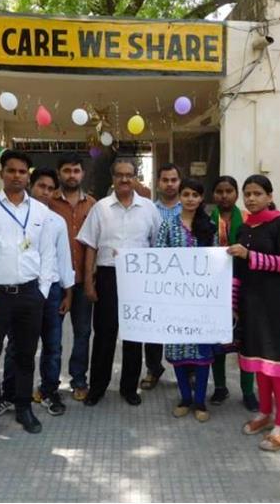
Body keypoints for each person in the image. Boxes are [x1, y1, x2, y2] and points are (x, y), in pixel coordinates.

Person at [0, 149, 55, 441]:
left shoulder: (40, 211)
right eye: (11, 170)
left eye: (22, 172)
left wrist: (42, 293)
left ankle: (23, 407)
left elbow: (47, 254)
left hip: (30, 295)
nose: (17, 176)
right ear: (1, 173)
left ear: (27, 176)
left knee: (26, 355)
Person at [76, 158, 162, 407]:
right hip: (107, 276)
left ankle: (129, 388)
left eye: (129, 175)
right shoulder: (100, 208)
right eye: (119, 175)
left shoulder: (149, 208)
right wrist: (89, 283)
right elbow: (90, 246)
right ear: (113, 178)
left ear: (136, 178)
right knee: (104, 333)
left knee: (134, 335)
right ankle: (97, 388)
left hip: (138, 279)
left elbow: (157, 245)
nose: (124, 179)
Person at [227, 174, 280, 452]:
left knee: (277, 366)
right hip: (251, 305)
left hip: (277, 307)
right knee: (259, 363)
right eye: (247, 193)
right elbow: (238, 272)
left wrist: (249, 256)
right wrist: (234, 305)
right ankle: (264, 413)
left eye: (257, 193)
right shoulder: (244, 228)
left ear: (270, 196)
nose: (251, 198)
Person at [1, 168, 75, 416]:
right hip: (24, 289)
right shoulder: (14, 216)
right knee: (17, 344)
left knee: (53, 345)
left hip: (52, 291)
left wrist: (68, 293)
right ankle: (9, 394)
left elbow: (64, 258)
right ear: (31, 186)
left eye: (51, 189)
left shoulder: (56, 221)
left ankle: (48, 391)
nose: (46, 192)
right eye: (41, 186)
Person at [154, 178, 218, 422]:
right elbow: (157, 258)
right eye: (186, 194)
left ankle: (200, 401)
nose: (190, 199)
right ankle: (185, 398)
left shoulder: (209, 227)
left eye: (195, 195)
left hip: (202, 301)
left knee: (202, 352)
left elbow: (217, 262)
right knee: (178, 350)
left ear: (201, 199)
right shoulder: (168, 226)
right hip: (175, 301)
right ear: (180, 197)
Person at [49, 153, 97, 402]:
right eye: (67, 170)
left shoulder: (93, 205)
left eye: (76, 170)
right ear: (59, 173)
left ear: (82, 174)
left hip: (83, 281)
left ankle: (79, 380)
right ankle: (50, 383)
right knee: (53, 336)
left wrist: (90, 279)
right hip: (55, 282)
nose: (72, 175)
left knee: (83, 333)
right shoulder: (48, 202)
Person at [208, 176, 259, 411]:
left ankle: (248, 391)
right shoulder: (206, 220)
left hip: (244, 288)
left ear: (236, 194)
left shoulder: (250, 220)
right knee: (217, 340)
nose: (224, 195)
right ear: (213, 195)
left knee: (245, 341)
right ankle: (220, 387)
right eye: (219, 191)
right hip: (214, 290)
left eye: (229, 191)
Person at [140, 162, 183, 391]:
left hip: (184, 280)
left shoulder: (190, 208)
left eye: (173, 180)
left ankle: (187, 370)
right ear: (158, 183)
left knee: (182, 325)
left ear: (179, 182)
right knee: (153, 326)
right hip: (155, 279)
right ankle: (153, 368)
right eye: (165, 180)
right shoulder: (148, 209)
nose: (169, 184)